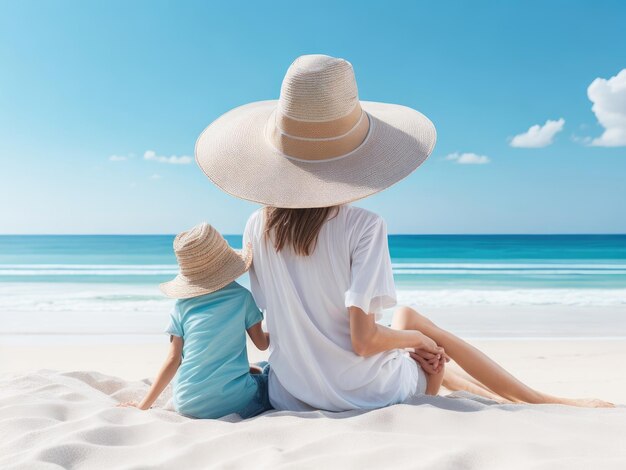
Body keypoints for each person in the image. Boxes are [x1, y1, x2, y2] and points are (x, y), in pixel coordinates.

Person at [194, 54, 613, 410]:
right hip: (368, 395)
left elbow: (273, 327)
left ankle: (473, 389)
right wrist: (417, 341)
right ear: (353, 156)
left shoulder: (256, 226)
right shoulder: (363, 226)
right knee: (417, 329)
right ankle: (543, 401)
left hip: (294, 395)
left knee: (421, 353)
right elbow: (363, 341)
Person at [119, 222, 272, 419]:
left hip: (187, 403)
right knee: (268, 372)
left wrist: (142, 406)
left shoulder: (181, 307)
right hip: (235, 403)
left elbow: (173, 361)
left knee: (254, 367)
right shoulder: (242, 297)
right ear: (226, 260)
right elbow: (261, 343)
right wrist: (283, 327)